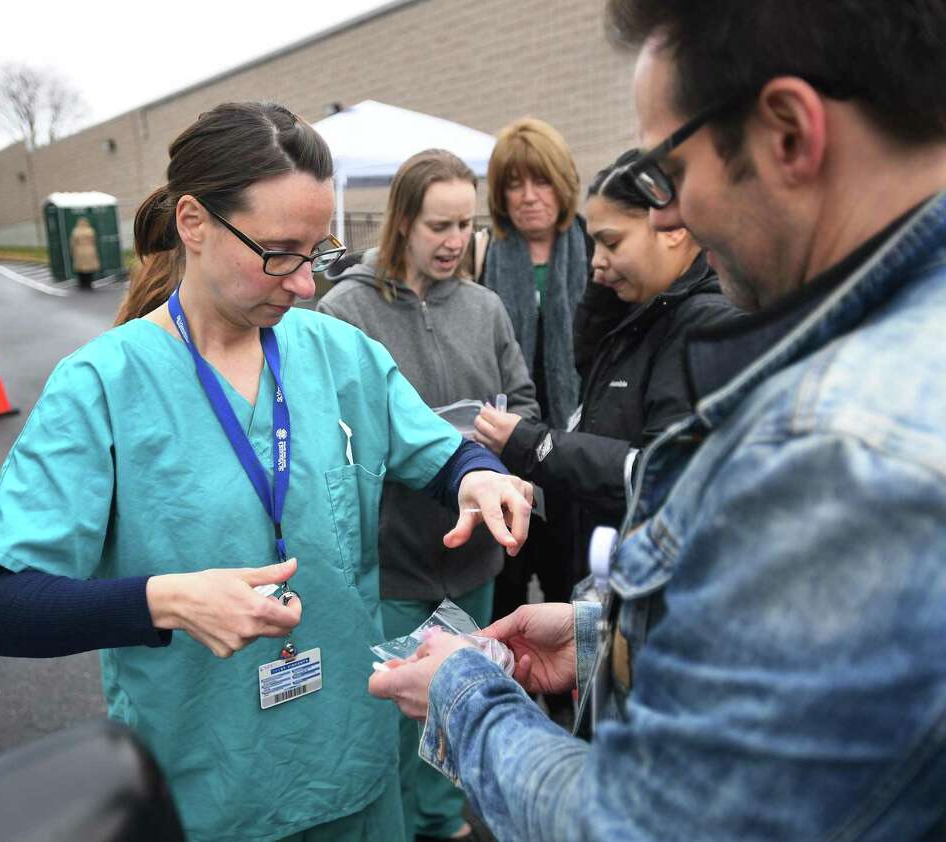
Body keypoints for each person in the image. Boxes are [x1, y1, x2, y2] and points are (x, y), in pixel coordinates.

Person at [369, 0, 946, 838]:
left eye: (666, 174)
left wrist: (466, 696)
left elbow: (641, 825)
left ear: (788, 133)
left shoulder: (839, 449)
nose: (669, 219)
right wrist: (615, 633)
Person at [0, 102, 533, 842]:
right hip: (206, 796)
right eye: (279, 251)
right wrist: (165, 601)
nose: (301, 285)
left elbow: (441, 450)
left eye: (316, 252)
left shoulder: (337, 354)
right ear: (193, 223)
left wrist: (477, 475)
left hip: (352, 775)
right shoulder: (103, 385)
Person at [318, 149, 538, 842]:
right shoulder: (342, 312)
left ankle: (446, 826)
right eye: (439, 224)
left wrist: (504, 457)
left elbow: (524, 402)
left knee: (452, 706)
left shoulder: (486, 306)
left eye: (464, 225)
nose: (453, 241)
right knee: (383, 719)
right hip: (389, 562)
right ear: (402, 221)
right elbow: (329, 441)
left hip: (473, 563)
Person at [473, 148, 738, 599]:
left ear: (672, 228)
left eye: (611, 243)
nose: (596, 262)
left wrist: (534, 444)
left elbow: (653, 472)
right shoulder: (643, 314)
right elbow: (597, 392)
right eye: (594, 244)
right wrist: (604, 297)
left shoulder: (701, 327)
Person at [479, 118, 594, 627]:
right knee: (504, 585)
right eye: (514, 184)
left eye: (540, 181)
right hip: (505, 452)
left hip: (576, 450)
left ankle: (571, 700)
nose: (528, 197)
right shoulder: (484, 254)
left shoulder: (594, 247)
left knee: (570, 583)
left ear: (563, 183)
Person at [69, 216, 100, 288]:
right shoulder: (90, 231)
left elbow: (73, 243)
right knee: (89, 268)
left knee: (81, 268)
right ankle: (89, 283)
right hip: (90, 250)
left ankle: (82, 283)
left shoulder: (76, 231)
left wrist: (72, 251)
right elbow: (94, 240)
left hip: (79, 251)